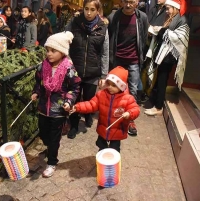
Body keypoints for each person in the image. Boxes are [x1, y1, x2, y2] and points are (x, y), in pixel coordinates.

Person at [31, 31, 81, 177]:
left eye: (53, 50)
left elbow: (75, 87)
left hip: (58, 111)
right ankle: (49, 147)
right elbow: (39, 83)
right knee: (43, 133)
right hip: (43, 108)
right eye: (47, 50)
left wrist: (69, 101)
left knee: (54, 138)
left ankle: (52, 162)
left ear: (63, 51)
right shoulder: (43, 67)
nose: (49, 54)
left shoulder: (69, 69)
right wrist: (36, 92)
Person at [65, 0, 109, 139]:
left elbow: (104, 53)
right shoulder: (74, 23)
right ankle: (74, 125)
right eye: (86, 9)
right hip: (75, 71)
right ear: (82, 9)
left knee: (90, 99)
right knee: (74, 99)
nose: (88, 13)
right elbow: (64, 41)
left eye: (92, 9)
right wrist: (68, 60)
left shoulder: (103, 28)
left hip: (93, 73)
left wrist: (104, 75)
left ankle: (89, 115)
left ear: (98, 10)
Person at [69, 67, 140, 152]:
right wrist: (77, 107)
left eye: (114, 85)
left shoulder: (127, 98)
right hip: (103, 128)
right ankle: (102, 161)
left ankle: (113, 164)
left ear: (121, 86)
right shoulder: (101, 95)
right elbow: (91, 104)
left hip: (117, 130)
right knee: (101, 146)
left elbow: (136, 109)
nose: (110, 87)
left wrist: (129, 113)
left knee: (114, 150)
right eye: (108, 84)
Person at [108, 0, 148, 136]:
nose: (128, 5)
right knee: (115, 88)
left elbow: (143, 38)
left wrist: (140, 56)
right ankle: (114, 114)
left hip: (133, 60)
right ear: (121, 2)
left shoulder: (142, 17)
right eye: (126, 1)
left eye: (132, 2)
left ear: (136, 2)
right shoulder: (114, 17)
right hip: (117, 58)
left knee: (133, 90)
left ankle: (130, 119)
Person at [144, 0, 189, 116]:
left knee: (162, 81)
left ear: (175, 8)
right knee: (160, 80)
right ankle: (156, 103)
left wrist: (161, 31)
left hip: (168, 58)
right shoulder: (174, 18)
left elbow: (180, 38)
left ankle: (158, 107)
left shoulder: (181, 20)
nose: (167, 11)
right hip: (164, 56)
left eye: (169, 8)